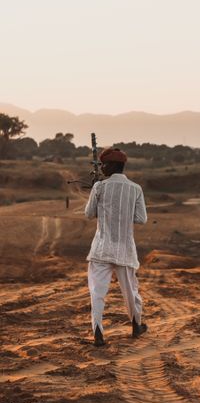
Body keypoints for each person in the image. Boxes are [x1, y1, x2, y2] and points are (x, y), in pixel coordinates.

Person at [85, 147, 148, 346]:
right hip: (125, 250)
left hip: (101, 249)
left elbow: (89, 214)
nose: (102, 167)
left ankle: (98, 332)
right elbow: (141, 219)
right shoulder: (135, 188)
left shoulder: (99, 187)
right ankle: (136, 325)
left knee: (97, 292)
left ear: (112, 165)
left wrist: (97, 193)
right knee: (131, 291)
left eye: (104, 164)